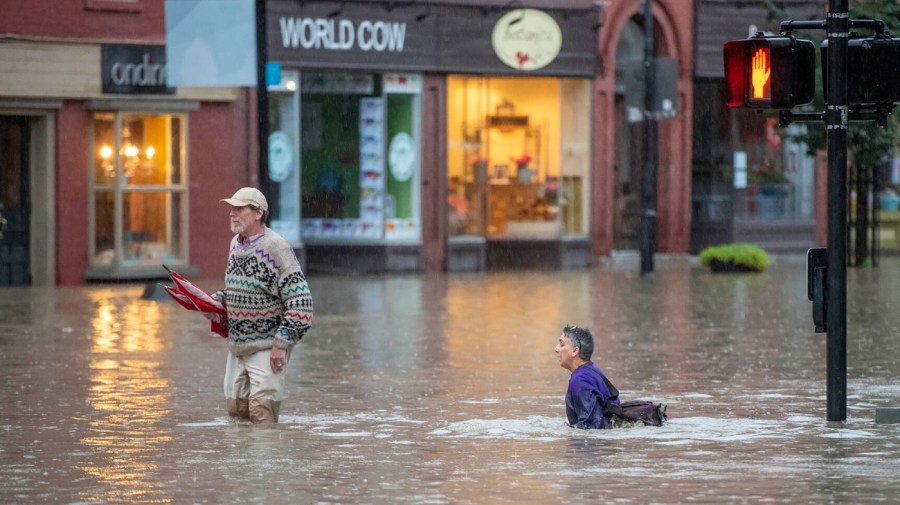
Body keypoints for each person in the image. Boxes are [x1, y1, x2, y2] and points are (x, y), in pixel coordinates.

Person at [213, 187, 313, 424]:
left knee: (262, 416)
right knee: (236, 412)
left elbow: (302, 304)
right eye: (231, 208)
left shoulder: (277, 247)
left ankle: (268, 461)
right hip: (237, 346)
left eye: (239, 208)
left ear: (258, 213)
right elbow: (243, 289)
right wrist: (216, 302)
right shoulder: (235, 245)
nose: (232, 213)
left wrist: (281, 344)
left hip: (267, 348)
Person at [554, 324, 620, 429]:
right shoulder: (590, 371)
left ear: (575, 351)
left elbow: (591, 429)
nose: (556, 349)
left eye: (561, 344)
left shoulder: (581, 379)